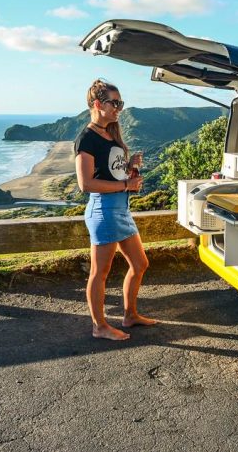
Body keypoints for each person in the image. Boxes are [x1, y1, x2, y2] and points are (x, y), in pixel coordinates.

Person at [74, 79, 156, 340]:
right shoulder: (86, 138)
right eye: (115, 102)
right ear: (98, 104)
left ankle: (130, 315)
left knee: (140, 263)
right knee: (100, 272)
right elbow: (86, 184)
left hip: (120, 209)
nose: (120, 107)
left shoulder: (110, 133)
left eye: (121, 102)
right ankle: (99, 327)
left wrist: (130, 166)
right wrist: (125, 185)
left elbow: (112, 173)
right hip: (104, 210)